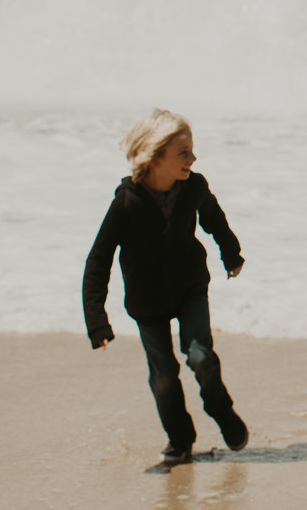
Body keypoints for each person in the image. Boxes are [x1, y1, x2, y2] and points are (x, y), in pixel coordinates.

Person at [83, 109, 250, 464]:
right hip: (147, 301)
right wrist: (96, 320)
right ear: (157, 158)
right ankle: (180, 439)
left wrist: (231, 253)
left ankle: (221, 410)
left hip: (189, 286)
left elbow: (214, 219)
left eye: (192, 150)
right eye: (184, 152)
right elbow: (99, 259)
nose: (193, 158)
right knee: (163, 377)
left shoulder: (193, 187)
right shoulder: (126, 203)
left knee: (201, 357)